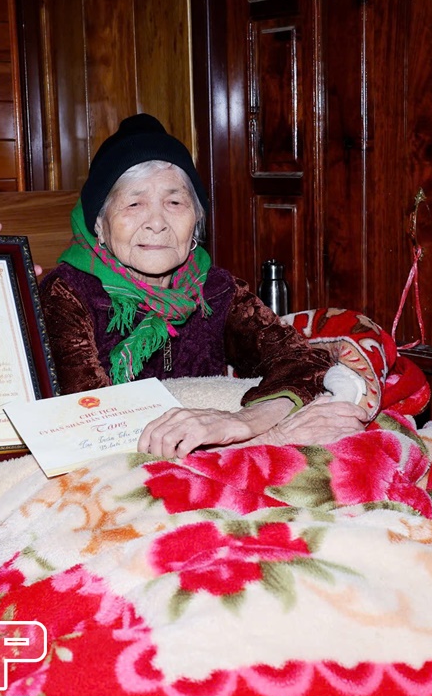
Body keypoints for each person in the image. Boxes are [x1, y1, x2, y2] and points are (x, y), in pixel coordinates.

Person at [40, 113, 368, 457]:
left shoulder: (214, 289)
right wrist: (272, 437)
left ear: (196, 221)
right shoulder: (67, 294)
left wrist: (245, 423)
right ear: (99, 225)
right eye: (134, 203)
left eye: (175, 202)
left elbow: (304, 362)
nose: (156, 223)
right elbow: (89, 425)